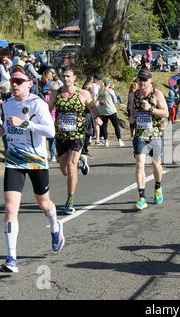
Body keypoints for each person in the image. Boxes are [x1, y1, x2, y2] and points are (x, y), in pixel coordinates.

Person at [0, 65, 64, 273]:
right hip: (14, 160)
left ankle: (55, 226)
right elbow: (7, 127)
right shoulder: (7, 104)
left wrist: (25, 124)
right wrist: (1, 130)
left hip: (36, 160)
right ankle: (11, 258)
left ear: (30, 84)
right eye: (13, 81)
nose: (14, 84)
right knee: (10, 208)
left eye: (19, 81)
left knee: (43, 203)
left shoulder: (38, 104)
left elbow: (50, 131)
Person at [47, 66, 103, 215]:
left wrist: (97, 118)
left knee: (71, 167)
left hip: (77, 134)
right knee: (64, 169)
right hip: (61, 135)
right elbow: (47, 110)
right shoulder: (56, 93)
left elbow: (92, 108)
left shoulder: (83, 93)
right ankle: (81, 161)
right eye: (63, 76)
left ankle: (70, 200)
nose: (66, 79)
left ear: (74, 78)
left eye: (68, 76)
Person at [129, 69, 169, 211]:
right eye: (140, 80)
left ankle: (158, 186)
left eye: (144, 80)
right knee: (139, 163)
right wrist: (132, 118)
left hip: (155, 134)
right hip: (140, 134)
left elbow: (166, 113)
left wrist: (151, 108)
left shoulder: (157, 94)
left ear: (150, 80)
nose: (141, 82)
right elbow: (133, 113)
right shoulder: (134, 95)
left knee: (155, 164)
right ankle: (142, 198)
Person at [97, 78, 125, 147]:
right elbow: (115, 101)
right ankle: (119, 140)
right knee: (116, 126)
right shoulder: (110, 91)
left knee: (104, 126)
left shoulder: (100, 91)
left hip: (102, 111)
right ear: (109, 84)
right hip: (111, 110)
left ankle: (106, 141)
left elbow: (98, 99)